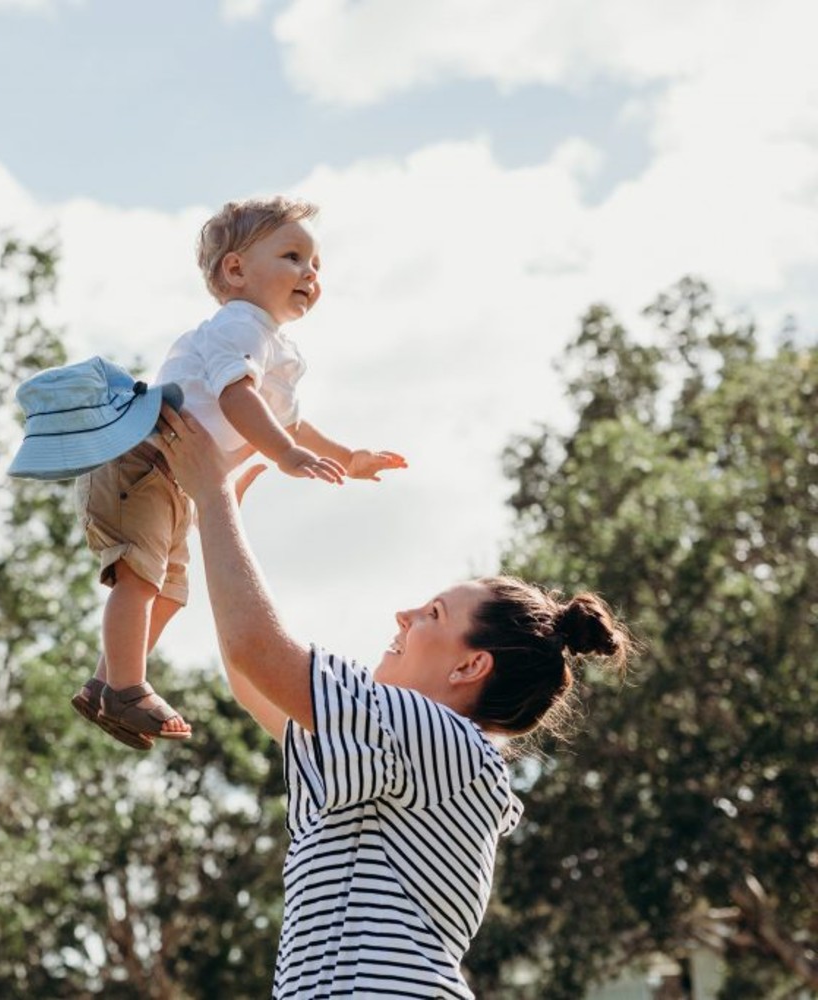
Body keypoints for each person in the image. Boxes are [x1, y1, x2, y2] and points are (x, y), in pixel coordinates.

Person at [153, 403, 634, 999]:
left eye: (432, 613)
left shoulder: (443, 739)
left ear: (470, 665)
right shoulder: (407, 749)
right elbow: (252, 682)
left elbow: (259, 651)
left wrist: (214, 492)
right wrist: (215, 512)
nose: (403, 615)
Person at [70, 195, 407, 748]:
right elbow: (236, 399)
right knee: (140, 577)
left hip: (177, 478)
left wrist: (349, 457)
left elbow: (290, 423)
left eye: (316, 265)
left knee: (171, 592)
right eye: (294, 256)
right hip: (143, 460)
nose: (310, 273)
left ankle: (107, 684)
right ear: (236, 269)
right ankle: (127, 687)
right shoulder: (238, 326)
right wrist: (282, 454)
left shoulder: (276, 346)